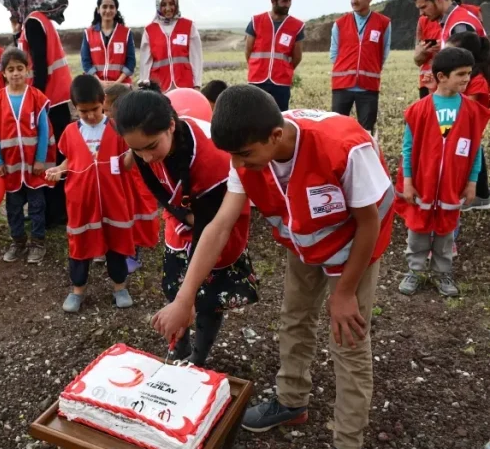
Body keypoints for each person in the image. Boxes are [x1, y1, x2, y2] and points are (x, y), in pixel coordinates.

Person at [152, 85, 394, 448]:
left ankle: (348, 439)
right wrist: (185, 298)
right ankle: (292, 401)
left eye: (245, 156)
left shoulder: (343, 148)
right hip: (305, 245)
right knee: (294, 318)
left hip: (354, 246)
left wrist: (344, 292)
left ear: (276, 135)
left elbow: (368, 224)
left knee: (348, 340)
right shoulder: (247, 153)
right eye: (232, 156)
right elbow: (218, 227)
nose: (238, 166)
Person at [116, 82, 259, 368]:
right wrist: (183, 216)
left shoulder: (212, 160)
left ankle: (198, 357)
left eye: (151, 147)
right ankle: (179, 350)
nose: (145, 157)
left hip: (217, 227)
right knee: (175, 289)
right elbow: (158, 189)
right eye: (137, 150)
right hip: (184, 221)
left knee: (205, 301)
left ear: (171, 125)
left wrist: (188, 298)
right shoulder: (144, 145)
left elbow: (213, 228)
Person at [396, 48, 490, 297]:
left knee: (446, 231)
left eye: (469, 73)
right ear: (441, 76)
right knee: (417, 231)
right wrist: (408, 180)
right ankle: (415, 270)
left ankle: (442, 272)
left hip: (452, 185)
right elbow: (408, 148)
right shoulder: (419, 110)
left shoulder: (472, 112)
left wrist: (472, 182)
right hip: (422, 184)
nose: (466, 79)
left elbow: (475, 151)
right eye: (461, 74)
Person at [46, 75, 135, 312]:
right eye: (83, 111)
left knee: (116, 243)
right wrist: (58, 169)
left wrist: (135, 151)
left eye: (95, 109)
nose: (91, 115)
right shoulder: (70, 132)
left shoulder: (118, 129)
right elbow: (69, 161)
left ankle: (120, 286)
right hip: (81, 201)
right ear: (74, 108)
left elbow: (127, 163)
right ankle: (77, 290)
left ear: (103, 101)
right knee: (80, 243)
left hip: (113, 198)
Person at [2, 0, 74, 229]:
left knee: (52, 157)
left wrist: (36, 99)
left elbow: (40, 64)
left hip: (49, 101)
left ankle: (55, 214)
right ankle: (57, 211)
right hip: (56, 101)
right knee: (58, 156)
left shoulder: (33, 22)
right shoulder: (40, 19)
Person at [0, 48, 56, 264]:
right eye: (11, 69)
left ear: (27, 70)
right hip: (11, 166)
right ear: (4, 73)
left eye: (20, 68)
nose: (16, 73)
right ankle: (18, 241)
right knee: (13, 207)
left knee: (37, 205)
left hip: (34, 166)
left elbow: (44, 130)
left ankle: (37, 242)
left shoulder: (37, 97)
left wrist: (40, 160)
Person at [104, 83, 160, 273]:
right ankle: (127, 248)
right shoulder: (115, 126)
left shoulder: (132, 127)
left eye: (107, 110)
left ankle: (135, 251)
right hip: (126, 181)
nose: (106, 115)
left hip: (137, 181)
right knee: (126, 214)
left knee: (137, 215)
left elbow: (129, 161)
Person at [330, 0, 392, 133]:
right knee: (337, 130)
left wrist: (371, 67)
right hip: (342, 85)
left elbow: (383, 53)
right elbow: (334, 54)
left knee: (366, 132)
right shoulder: (339, 24)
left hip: (368, 87)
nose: (354, 0)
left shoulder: (383, 23)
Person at [445, 32, 490, 212]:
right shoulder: (468, 76)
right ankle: (479, 194)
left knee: (470, 155)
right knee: (470, 153)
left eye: (451, 53)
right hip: (465, 127)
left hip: (470, 126)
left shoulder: (477, 80)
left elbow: (468, 109)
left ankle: (477, 196)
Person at [245, 0, 305, 111]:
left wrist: (285, 69)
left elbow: (297, 57)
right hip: (257, 80)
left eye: (289, 1)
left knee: (280, 117)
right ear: (273, 1)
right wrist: (256, 67)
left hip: (281, 82)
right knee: (254, 117)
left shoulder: (297, 25)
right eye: (284, 1)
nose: (287, 5)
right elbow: (248, 51)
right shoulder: (256, 21)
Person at [140, 0, 203, 92]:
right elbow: (145, 62)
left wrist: (197, 84)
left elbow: (196, 57)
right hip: (159, 87)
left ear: (176, 4)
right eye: (164, 5)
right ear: (158, 6)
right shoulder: (149, 30)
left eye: (171, 4)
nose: (168, 8)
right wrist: (145, 86)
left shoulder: (188, 26)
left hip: (185, 84)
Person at [81, 0, 136, 86]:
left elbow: (131, 62)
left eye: (111, 7)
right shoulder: (88, 33)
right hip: (96, 85)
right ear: (98, 9)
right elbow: (86, 62)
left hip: (121, 85)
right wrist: (99, 82)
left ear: (116, 10)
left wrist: (116, 83)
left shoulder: (126, 32)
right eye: (104, 6)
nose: (108, 10)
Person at [411, 0, 486, 49]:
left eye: (424, 7)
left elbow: (465, 65)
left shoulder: (459, 24)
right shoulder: (452, 19)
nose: (421, 13)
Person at [415, 15, 442, 98]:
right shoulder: (423, 20)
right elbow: (417, 60)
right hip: (426, 80)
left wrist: (445, 46)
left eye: (424, 7)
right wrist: (423, 51)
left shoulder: (457, 18)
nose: (422, 12)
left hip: (448, 80)